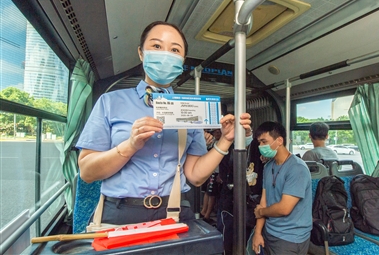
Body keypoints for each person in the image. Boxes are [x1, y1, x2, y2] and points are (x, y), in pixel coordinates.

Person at [76, 21, 251, 225]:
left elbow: (195, 176)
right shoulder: (110, 102)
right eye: (157, 46)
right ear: (141, 53)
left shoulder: (190, 109)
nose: (166, 55)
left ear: (182, 61)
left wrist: (226, 141)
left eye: (175, 50)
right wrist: (130, 145)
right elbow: (87, 173)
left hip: (173, 213)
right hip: (119, 214)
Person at [251, 121, 312, 255]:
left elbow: (284, 208)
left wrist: (261, 212)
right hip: (270, 231)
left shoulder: (297, 169)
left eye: (264, 141)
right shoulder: (268, 167)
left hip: (290, 237)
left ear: (279, 140)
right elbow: (264, 201)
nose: (261, 146)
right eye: (259, 143)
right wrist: (258, 233)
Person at [216, 130, 259, 255]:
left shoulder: (257, 147)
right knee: (227, 239)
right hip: (229, 200)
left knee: (248, 239)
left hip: (252, 202)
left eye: (247, 132)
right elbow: (224, 174)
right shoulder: (226, 148)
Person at [201, 129, 222, 224]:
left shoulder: (221, 143)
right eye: (216, 132)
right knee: (209, 193)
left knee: (210, 193)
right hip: (212, 171)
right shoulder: (212, 143)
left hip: (216, 172)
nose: (218, 134)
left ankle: (206, 213)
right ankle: (205, 213)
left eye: (219, 132)